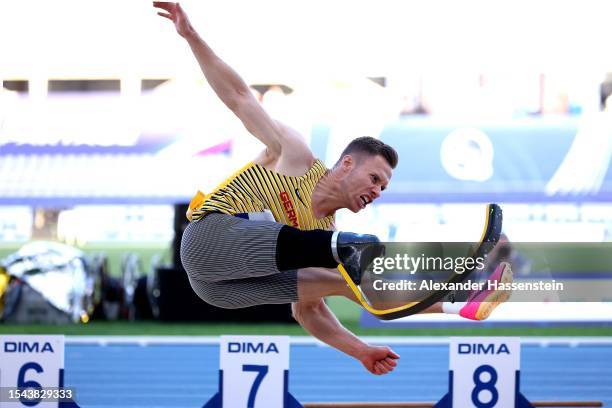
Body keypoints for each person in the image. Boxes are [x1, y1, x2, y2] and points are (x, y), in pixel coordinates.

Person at [153, 2, 512, 376]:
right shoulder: (292, 154)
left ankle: (460, 302)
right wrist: (192, 36)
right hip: (207, 241)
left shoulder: (324, 231)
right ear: (346, 164)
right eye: (374, 179)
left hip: (221, 290)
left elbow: (308, 311)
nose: (376, 192)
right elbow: (240, 97)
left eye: (383, 188)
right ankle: (362, 251)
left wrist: (360, 350)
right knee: (347, 253)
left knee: (347, 278)